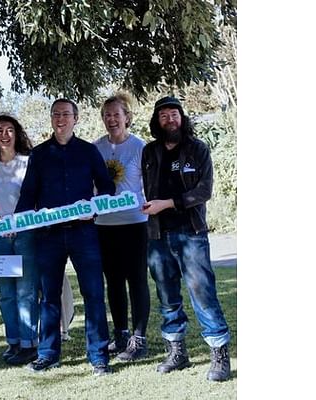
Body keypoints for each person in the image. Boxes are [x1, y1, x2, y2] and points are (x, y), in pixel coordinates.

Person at [14, 98, 116, 375]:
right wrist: (17, 220)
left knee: (94, 294)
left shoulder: (88, 151)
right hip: (48, 236)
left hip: (84, 234)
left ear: (76, 118)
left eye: (66, 114)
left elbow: (107, 187)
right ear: (51, 119)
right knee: (49, 296)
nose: (60, 119)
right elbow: (28, 195)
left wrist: (93, 210)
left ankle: (98, 356)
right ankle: (48, 353)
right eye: (56, 114)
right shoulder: (39, 154)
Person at [141, 96, 231, 382]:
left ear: (182, 118)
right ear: (157, 121)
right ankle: (176, 352)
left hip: (191, 234)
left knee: (202, 294)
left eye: (174, 114)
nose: (170, 120)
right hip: (157, 235)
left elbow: (203, 192)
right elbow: (141, 188)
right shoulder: (149, 151)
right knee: (167, 296)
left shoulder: (198, 149)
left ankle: (219, 354)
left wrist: (166, 203)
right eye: (164, 116)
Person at [92, 94, 151, 361]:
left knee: (137, 280)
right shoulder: (95, 148)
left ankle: (139, 339)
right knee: (113, 282)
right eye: (107, 115)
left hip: (134, 224)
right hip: (104, 226)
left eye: (116, 114)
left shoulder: (140, 147)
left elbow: (150, 187)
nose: (111, 119)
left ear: (127, 117)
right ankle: (121, 335)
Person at [0, 114, 39, 365]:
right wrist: (1, 223)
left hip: (25, 231)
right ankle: (13, 342)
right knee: (5, 292)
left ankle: (29, 343)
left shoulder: (28, 162)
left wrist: (17, 222)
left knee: (25, 290)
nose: (4, 134)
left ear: (17, 134)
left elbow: (35, 196)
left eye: (9, 130)